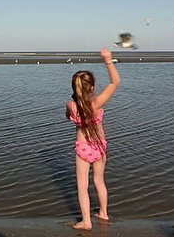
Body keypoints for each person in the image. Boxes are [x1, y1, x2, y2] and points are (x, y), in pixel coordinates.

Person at [65, 48, 120, 230]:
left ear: (75, 88)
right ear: (93, 87)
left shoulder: (71, 106)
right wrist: (108, 60)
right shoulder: (97, 103)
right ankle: (103, 212)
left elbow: (68, 116)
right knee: (99, 181)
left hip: (83, 148)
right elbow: (115, 82)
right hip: (99, 146)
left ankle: (86, 221)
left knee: (82, 185)